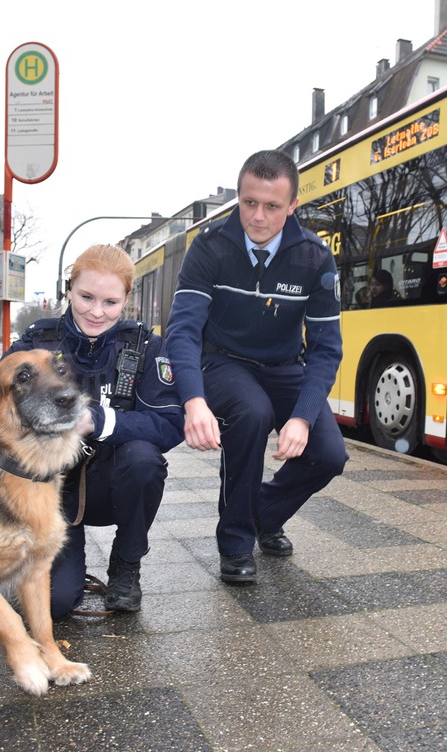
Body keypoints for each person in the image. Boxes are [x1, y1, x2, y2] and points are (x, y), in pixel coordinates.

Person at [165, 150, 349, 584]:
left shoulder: (315, 258)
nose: (258, 217)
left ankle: (263, 513)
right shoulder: (210, 247)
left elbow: (325, 349)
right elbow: (183, 331)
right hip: (223, 361)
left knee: (329, 455)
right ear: (239, 199)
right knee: (253, 412)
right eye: (249, 203)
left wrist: (303, 418)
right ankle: (235, 541)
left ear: (292, 207)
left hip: (285, 366)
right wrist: (193, 400)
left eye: (272, 206)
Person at [5, 244, 184, 615]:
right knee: (54, 604)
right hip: (51, 493)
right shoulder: (36, 343)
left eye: (110, 302)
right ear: (68, 290)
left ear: (126, 300)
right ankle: (46, 561)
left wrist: (96, 421)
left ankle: (126, 565)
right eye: (86, 297)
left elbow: (171, 423)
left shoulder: (144, 346)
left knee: (144, 458)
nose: (96, 311)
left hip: (115, 483)